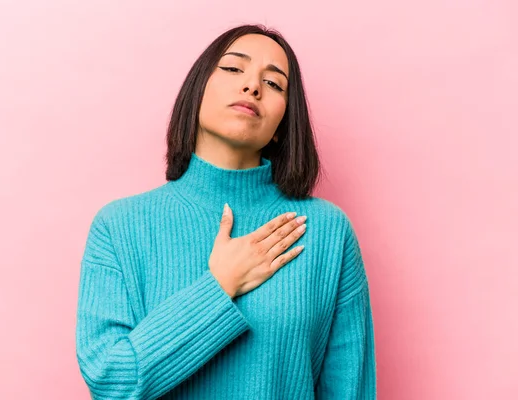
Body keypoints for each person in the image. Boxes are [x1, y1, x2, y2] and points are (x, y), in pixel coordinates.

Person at [75, 24, 377, 399]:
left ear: (283, 124)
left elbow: (350, 390)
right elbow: (111, 382)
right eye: (234, 69)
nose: (252, 86)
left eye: (274, 84)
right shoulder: (119, 227)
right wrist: (218, 287)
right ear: (198, 90)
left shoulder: (327, 231)